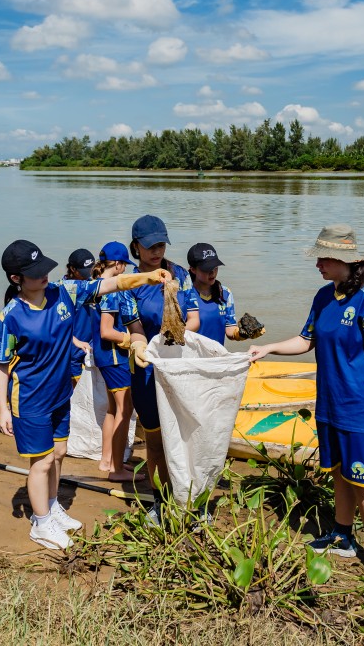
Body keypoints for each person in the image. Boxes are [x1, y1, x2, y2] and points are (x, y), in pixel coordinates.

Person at [247, 225, 364, 581]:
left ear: (344, 260)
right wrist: (269, 347)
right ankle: (342, 533)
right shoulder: (324, 296)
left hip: (361, 405)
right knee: (338, 471)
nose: (318, 264)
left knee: (363, 478)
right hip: (330, 401)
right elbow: (306, 339)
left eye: (323, 258)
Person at [0, 239, 171, 550]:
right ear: (16, 279)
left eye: (44, 268)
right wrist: (3, 409)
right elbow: (1, 365)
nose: (44, 275)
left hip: (61, 392)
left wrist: (149, 276)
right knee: (43, 460)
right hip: (31, 397)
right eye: (35, 273)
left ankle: (51, 506)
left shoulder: (65, 291)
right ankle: (41, 523)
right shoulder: (11, 316)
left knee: (59, 454)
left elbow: (111, 283)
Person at [120, 215, 200, 525]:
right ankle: (159, 502)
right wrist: (140, 346)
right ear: (136, 246)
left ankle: (188, 499)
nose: (157, 252)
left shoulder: (179, 274)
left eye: (161, 245)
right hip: (147, 369)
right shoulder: (129, 282)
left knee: (183, 437)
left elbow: (193, 317)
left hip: (178, 364)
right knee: (154, 441)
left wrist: (175, 333)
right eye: (150, 246)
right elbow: (135, 328)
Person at [90, 241, 143, 482]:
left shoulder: (96, 285)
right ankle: (117, 469)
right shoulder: (111, 290)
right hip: (113, 357)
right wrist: (131, 339)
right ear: (120, 265)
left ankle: (107, 460)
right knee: (125, 409)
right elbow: (106, 330)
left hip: (103, 356)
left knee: (113, 409)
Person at [186, 242, 264, 346]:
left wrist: (242, 334)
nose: (212, 272)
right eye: (207, 269)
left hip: (216, 357)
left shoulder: (225, 294)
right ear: (193, 269)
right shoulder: (184, 294)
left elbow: (230, 331)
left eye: (215, 267)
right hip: (190, 359)